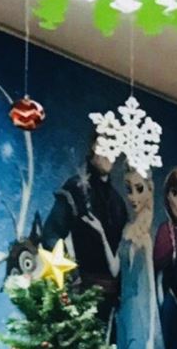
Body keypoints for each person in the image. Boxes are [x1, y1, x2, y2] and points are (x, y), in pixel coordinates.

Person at [41, 136, 125, 322]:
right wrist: (71, 274)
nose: (110, 152)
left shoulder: (118, 203)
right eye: (105, 145)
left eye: (114, 146)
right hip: (82, 300)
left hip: (113, 306)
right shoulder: (75, 189)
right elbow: (51, 235)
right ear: (94, 146)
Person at [114, 166, 167, 349]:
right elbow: (115, 269)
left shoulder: (145, 237)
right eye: (129, 189)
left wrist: (150, 339)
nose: (133, 197)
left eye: (139, 189)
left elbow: (150, 293)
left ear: (149, 191)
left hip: (140, 317)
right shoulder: (126, 230)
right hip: (124, 313)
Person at [155, 167, 177, 349]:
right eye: (175, 194)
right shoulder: (164, 231)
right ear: (167, 196)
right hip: (167, 302)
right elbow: (157, 273)